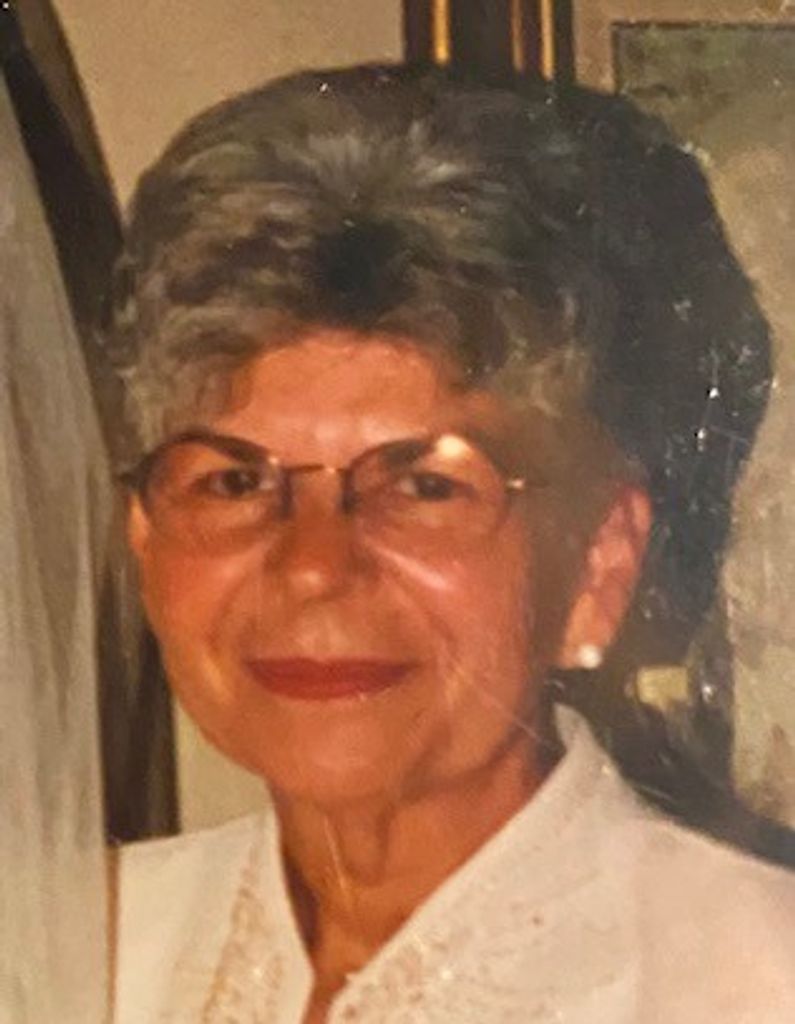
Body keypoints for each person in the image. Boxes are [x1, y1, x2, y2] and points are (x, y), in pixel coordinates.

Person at [111, 64, 795, 1022]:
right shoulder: (71, 945)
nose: (313, 566)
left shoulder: (758, 977)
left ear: (597, 564)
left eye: (424, 485)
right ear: (146, 539)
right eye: (233, 481)